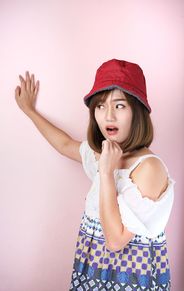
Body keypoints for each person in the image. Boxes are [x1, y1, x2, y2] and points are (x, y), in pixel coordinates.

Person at [15, 59, 175, 290]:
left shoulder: (149, 168)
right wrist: (29, 110)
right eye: (100, 106)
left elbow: (116, 241)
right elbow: (64, 144)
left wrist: (106, 173)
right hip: (92, 267)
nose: (108, 116)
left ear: (137, 111)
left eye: (119, 105)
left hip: (128, 278)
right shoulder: (105, 153)